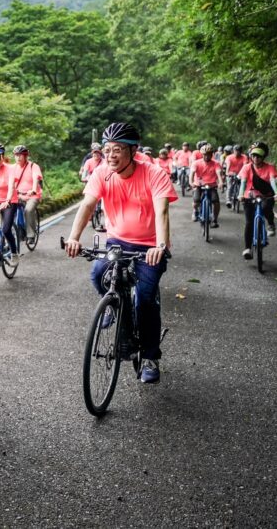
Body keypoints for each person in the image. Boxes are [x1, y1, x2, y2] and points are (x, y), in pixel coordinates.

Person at [64, 122, 176, 384]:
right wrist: (73, 237)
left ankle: (149, 356)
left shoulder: (153, 173)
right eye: (107, 149)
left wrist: (160, 245)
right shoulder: (101, 173)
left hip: (149, 246)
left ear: (133, 151)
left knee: (145, 300)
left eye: (117, 149)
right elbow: (88, 205)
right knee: (98, 275)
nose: (111, 155)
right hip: (117, 242)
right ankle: (115, 308)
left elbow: (162, 211)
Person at [239, 142, 277, 260]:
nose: (256, 158)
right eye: (254, 156)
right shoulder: (247, 167)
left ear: (263, 157)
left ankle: (271, 225)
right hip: (249, 196)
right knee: (249, 222)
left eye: (258, 156)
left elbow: (273, 180)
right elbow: (243, 182)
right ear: (251, 156)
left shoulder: (270, 167)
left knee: (266, 208)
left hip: (266, 196)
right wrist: (240, 195)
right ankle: (247, 248)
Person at [8, 144, 44, 244]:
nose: (18, 157)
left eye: (20, 155)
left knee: (28, 210)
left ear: (25, 156)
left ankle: (31, 235)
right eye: (16, 155)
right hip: (18, 195)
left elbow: (36, 177)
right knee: (7, 209)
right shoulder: (12, 168)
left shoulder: (33, 166)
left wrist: (33, 189)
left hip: (32, 195)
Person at [190, 143, 223, 227]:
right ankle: (195, 211)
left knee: (216, 202)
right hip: (199, 185)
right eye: (205, 155)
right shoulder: (196, 163)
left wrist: (221, 182)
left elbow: (218, 173)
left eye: (209, 154)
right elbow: (192, 173)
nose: (207, 156)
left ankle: (214, 219)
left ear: (212, 154)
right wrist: (191, 182)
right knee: (196, 201)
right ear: (202, 154)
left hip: (211, 186)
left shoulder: (216, 163)